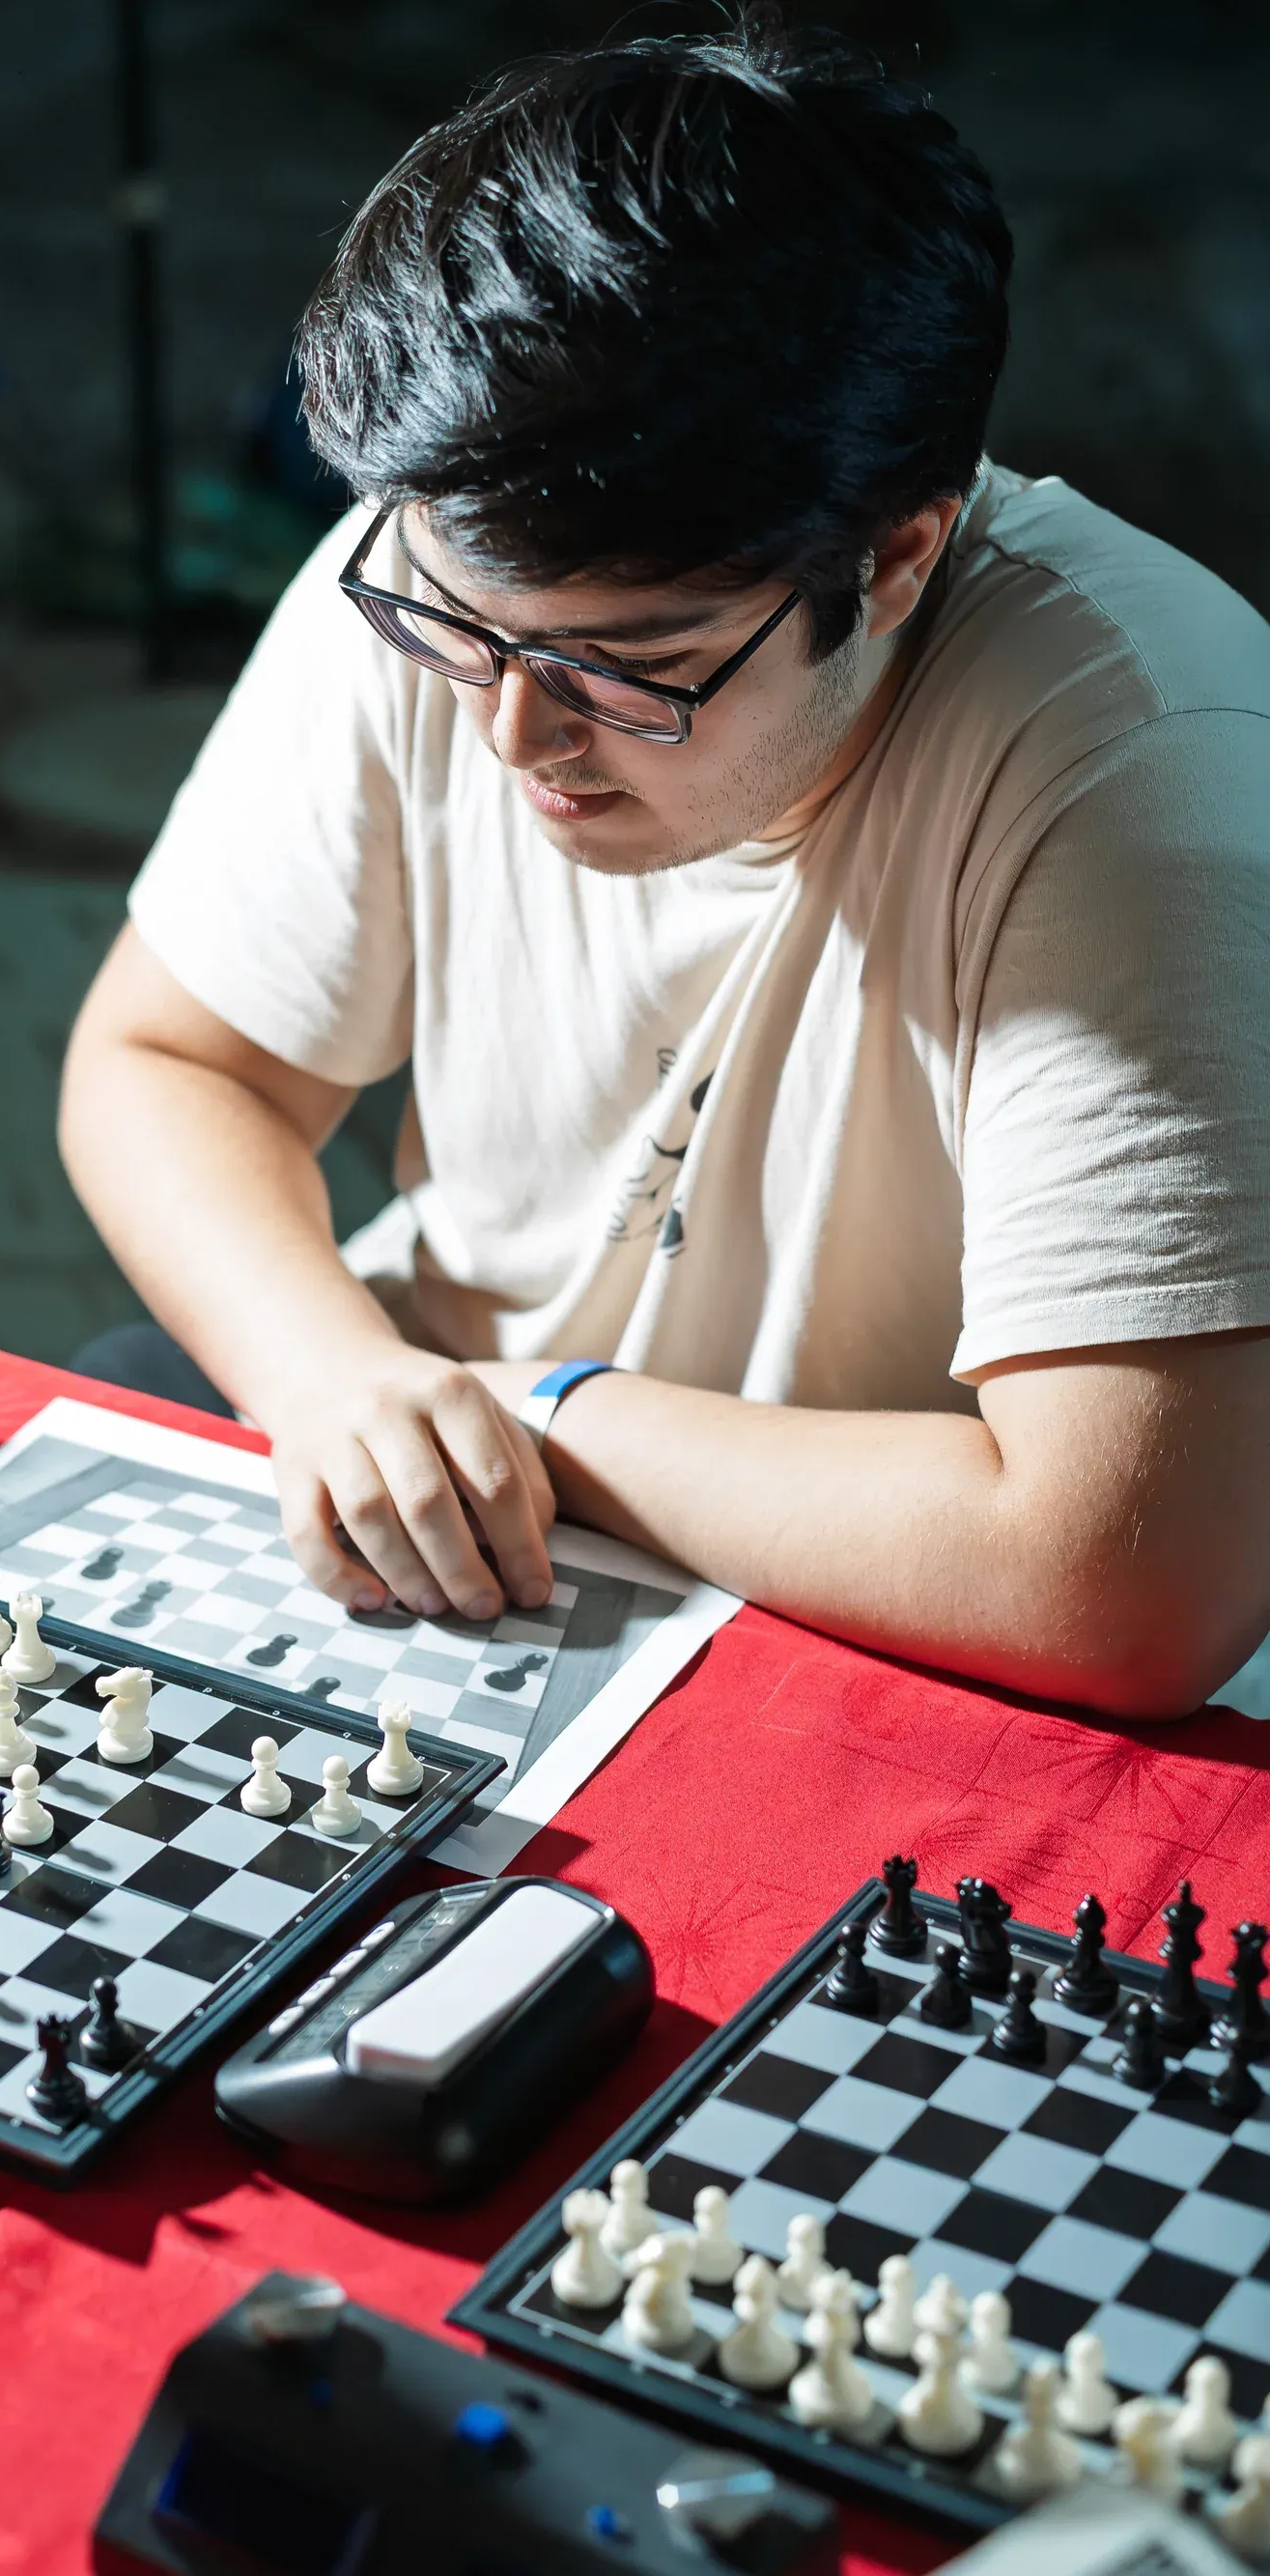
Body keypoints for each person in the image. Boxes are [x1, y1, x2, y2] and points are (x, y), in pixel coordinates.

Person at [61, 20, 1270, 1724]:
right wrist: (326, 1369)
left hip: (898, 1635)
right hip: (477, 1486)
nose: (515, 733)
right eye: (457, 628)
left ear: (897, 555)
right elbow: (167, 1060)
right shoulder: (454, 566)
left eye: (632, 670)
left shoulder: (1145, 761)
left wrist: (540, 1416)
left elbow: (1123, 1582)